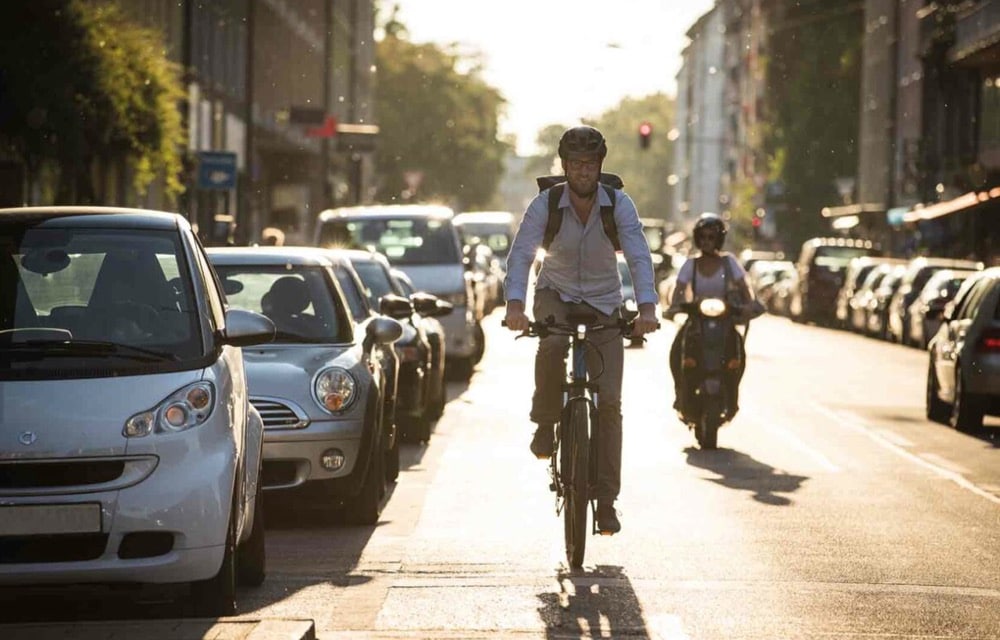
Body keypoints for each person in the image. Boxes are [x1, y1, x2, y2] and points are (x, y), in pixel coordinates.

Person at [503, 125, 658, 534]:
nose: (583, 171)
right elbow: (521, 255)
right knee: (552, 343)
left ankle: (605, 502)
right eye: (575, 164)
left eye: (590, 164)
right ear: (565, 166)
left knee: (609, 404)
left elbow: (639, 257)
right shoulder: (546, 204)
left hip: (606, 301)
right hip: (557, 292)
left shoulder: (618, 205)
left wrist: (646, 309)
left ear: (599, 165)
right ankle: (545, 420)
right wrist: (515, 305)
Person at [666, 213, 757, 419]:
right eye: (703, 237)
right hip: (697, 319)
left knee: (736, 349)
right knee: (677, 348)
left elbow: (745, 288)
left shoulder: (729, 263)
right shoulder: (691, 264)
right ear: (698, 239)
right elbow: (679, 289)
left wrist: (749, 305)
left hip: (724, 319)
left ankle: (732, 395)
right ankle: (681, 392)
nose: (707, 241)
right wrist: (675, 305)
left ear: (719, 240)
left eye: (712, 237)